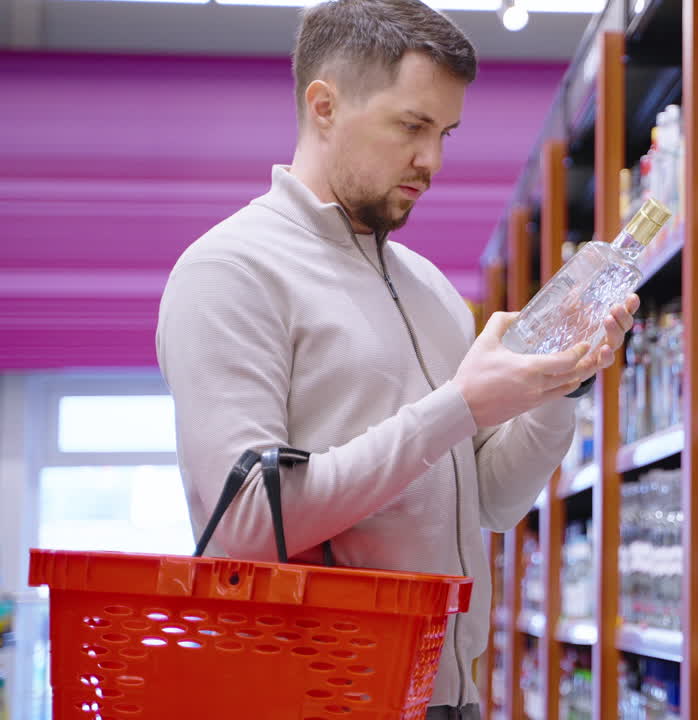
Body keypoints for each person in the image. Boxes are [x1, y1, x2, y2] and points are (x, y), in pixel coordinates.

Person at [155, 1, 637, 717]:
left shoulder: (431, 290)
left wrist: (557, 384)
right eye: (411, 127)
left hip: (448, 699)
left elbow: (495, 503)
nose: (433, 161)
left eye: (445, 133)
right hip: (312, 700)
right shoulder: (230, 271)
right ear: (324, 106)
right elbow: (243, 526)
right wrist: (460, 406)